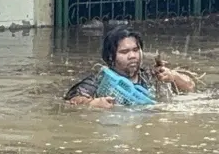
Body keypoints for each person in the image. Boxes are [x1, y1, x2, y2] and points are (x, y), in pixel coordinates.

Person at [64, 26, 196, 108]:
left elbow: (190, 87)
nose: (132, 56)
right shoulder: (98, 80)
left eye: (135, 50)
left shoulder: (151, 76)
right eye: (124, 52)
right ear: (111, 56)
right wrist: (92, 104)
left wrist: (173, 76)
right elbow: (71, 102)